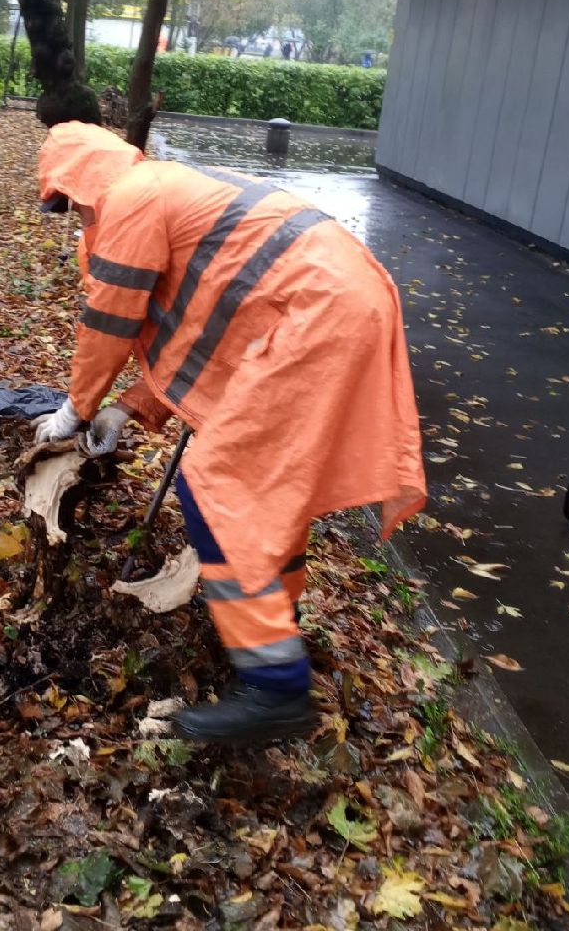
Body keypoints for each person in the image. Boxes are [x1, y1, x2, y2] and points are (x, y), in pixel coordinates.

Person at [33, 122, 426, 745]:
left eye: (71, 202)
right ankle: (273, 632)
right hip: (335, 301)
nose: (75, 215)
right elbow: (205, 327)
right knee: (268, 489)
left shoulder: (132, 200)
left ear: (84, 180)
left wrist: (76, 410)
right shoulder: (170, 190)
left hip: (318, 312)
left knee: (219, 487)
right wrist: (131, 408)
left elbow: (110, 317)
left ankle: (273, 689)